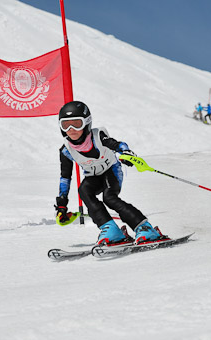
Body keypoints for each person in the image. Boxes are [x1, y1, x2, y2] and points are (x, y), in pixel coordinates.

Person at [54, 100, 163, 246]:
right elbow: (65, 177)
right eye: (66, 125)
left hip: (111, 171)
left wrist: (126, 153)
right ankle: (110, 229)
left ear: (87, 123)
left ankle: (145, 228)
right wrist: (62, 205)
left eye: (77, 124)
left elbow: (118, 145)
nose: (71, 129)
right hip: (93, 177)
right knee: (84, 190)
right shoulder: (67, 150)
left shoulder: (97, 136)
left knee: (109, 197)